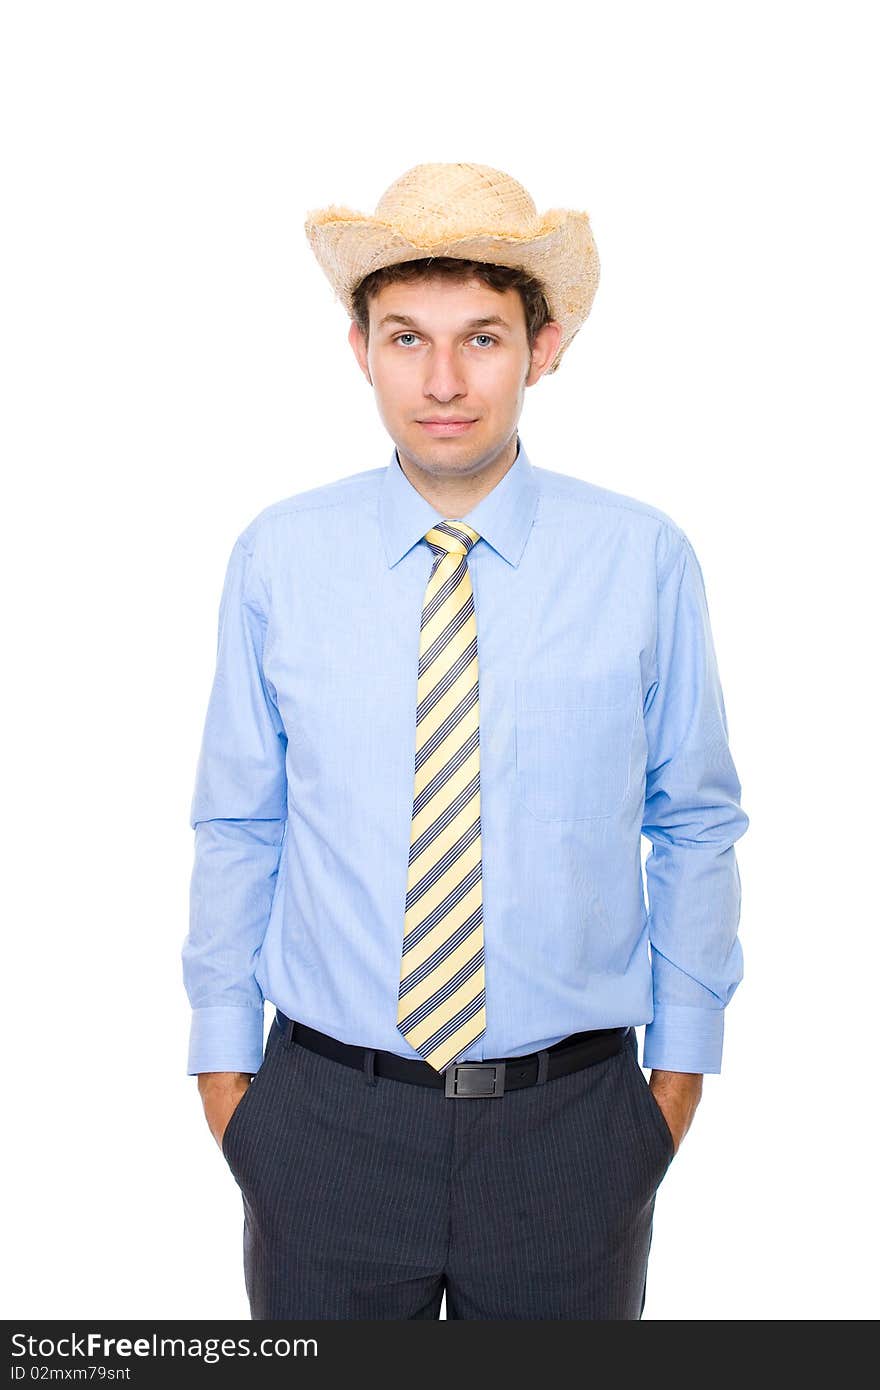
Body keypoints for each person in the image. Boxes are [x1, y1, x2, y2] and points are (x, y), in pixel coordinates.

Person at [181, 161, 749, 1320]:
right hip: (323, 1120)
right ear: (360, 348)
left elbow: (693, 820)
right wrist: (226, 1079)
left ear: (543, 348)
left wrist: (673, 1085)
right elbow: (242, 821)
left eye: (481, 339)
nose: (443, 381)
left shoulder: (642, 562)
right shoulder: (278, 560)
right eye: (406, 338)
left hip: (573, 1128)